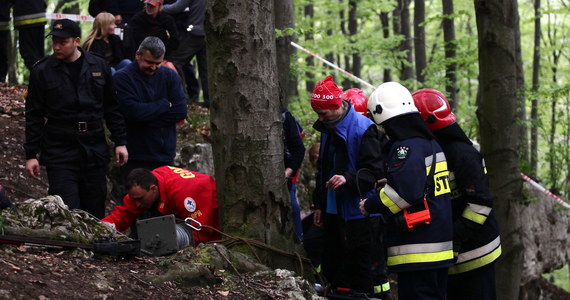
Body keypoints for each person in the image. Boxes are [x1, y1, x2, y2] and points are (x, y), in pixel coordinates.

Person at [24, 19, 128, 219]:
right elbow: (34, 115)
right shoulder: (42, 71)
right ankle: (70, 249)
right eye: (54, 41)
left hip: (93, 145)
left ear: (76, 41)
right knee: (67, 209)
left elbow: (112, 107)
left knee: (94, 206)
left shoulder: (98, 65)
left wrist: (120, 142)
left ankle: (94, 250)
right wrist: (31, 153)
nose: (57, 46)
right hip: (60, 146)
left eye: (62, 42)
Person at [360, 82, 454, 300]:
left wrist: (370, 205)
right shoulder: (430, 144)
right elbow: (424, 185)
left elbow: (405, 193)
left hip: (418, 249)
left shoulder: (406, 148)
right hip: (438, 245)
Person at [412, 88, 502, 300]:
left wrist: (453, 236)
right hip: (451, 254)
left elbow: (480, 205)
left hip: (476, 252)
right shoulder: (434, 150)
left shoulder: (462, 154)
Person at [310, 75, 384, 296]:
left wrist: (347, 179)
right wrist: (320, 205)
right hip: (333, 212)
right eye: (317, 114)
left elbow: (375, 172)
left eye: (323, 113)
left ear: (337, 106)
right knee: (334, 267)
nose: (320, 118)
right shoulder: (327, 128)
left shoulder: (364, 129)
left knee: (361, 270)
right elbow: (322, 169)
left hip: (358, 213)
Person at [113, 36, 187, 184]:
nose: (153, 67)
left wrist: (146, 118)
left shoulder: (170, 76)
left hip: (164, 153)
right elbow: (134, 112)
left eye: (157, 63)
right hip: (136, 154)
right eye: (149, 62)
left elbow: (180, 111)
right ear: (138, 55)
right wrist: (164, 105)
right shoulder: (122, 78)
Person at [102, 166, 219, 245]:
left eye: (139, 199)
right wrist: (100, 229)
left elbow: (200, 231)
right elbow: (122, 215)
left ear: (153, 189)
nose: (137, 204)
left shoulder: (182, 192)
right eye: (134, 199)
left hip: (214, 216)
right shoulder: (142, 189)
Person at [162, 0, 209, 107]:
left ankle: (182, 97)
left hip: (193, 32)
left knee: (174, 61)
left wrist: (161, 8)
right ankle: (208, 100)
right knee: (205, 68)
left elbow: (177, 7)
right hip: (206, 32)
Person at [0, 0, 47, 81]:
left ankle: (45, 82)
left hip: (27, 16)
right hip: (39, 14)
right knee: (38, 55)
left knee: (29, 54)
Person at [282, 108, 305, 241]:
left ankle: (298, 242)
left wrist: (288, 172)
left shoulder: (285, 117)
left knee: (293, 208)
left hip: (285, 180)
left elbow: (299, 149)